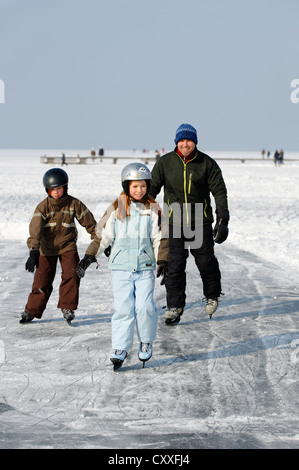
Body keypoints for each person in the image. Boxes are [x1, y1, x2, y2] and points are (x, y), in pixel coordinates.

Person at [77, 163, 168, 370]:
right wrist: (90, 255)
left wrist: (162, 260)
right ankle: (120, 347)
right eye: (135, 186)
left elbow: (159, 239)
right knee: (124, 309)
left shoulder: (153, 210)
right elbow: (103, 236)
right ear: (126, 186)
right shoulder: (116, 208)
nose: (139, 190)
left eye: (143, 186)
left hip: (145, 267)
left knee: (144, 307)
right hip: (120, 267)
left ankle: (145, 340)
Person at [149, 123, 229, 324]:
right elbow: (152, 189)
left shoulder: (206, 163)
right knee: (174, 266)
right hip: (173, 222)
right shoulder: (165, 162)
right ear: (177, 142)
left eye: (189, 140)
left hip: (199, 222)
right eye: (182, 140)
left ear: (195, 142)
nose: (186, 144)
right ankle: (174, 306)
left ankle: (212, 295)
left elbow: (219, 191)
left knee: (206, 262)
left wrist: (223, 219)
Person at [20, 168, 97, 325]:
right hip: (46, 248)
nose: (56, 192)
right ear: (47, 190)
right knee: (42, 280)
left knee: (72, 273)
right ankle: (31, 311)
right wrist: (33, 251)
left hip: (67, 245)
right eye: (52, 189)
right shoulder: (43, 207)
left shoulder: (74, 204)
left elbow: (90, 223)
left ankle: (67, 307)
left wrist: (100, 240)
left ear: (65, 187)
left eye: (59, 188)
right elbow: (34, 231)